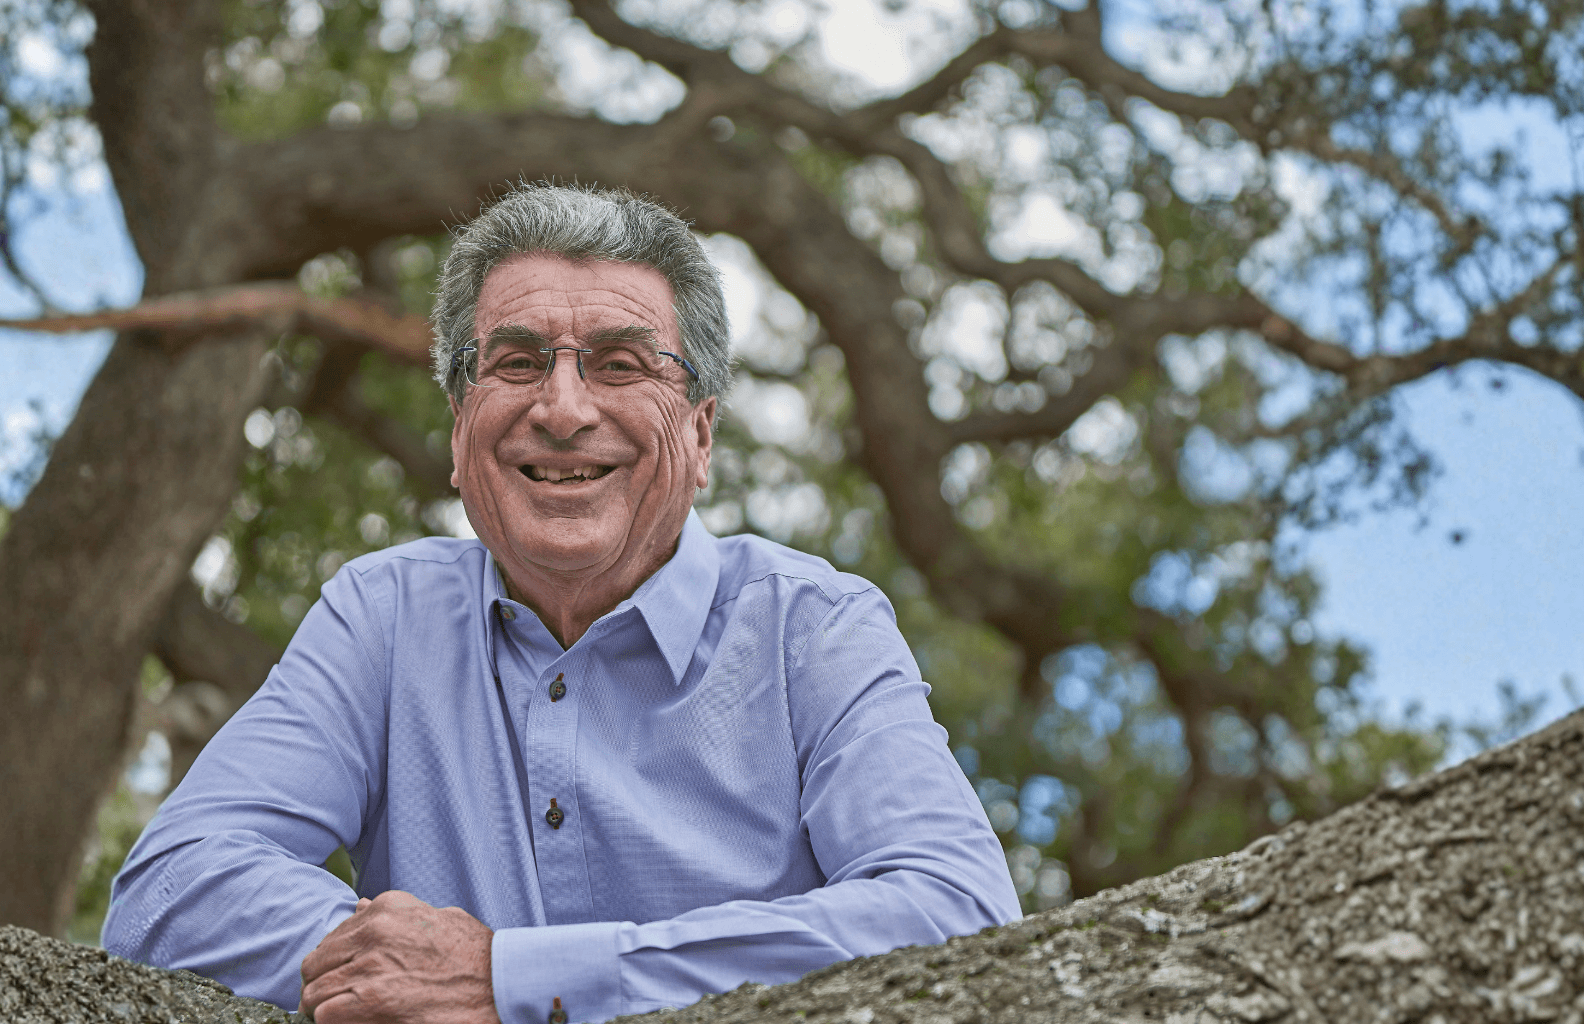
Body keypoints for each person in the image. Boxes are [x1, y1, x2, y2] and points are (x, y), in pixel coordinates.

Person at [102, 183, 1021, 1024]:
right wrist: (397, 972)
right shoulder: (381, 616)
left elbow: (956, 912)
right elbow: (171, 893)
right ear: (460, 431)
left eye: (621, 364)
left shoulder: (813, 627)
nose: (564, 408)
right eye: (516, 361)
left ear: (701, 437)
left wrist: (511, 980)